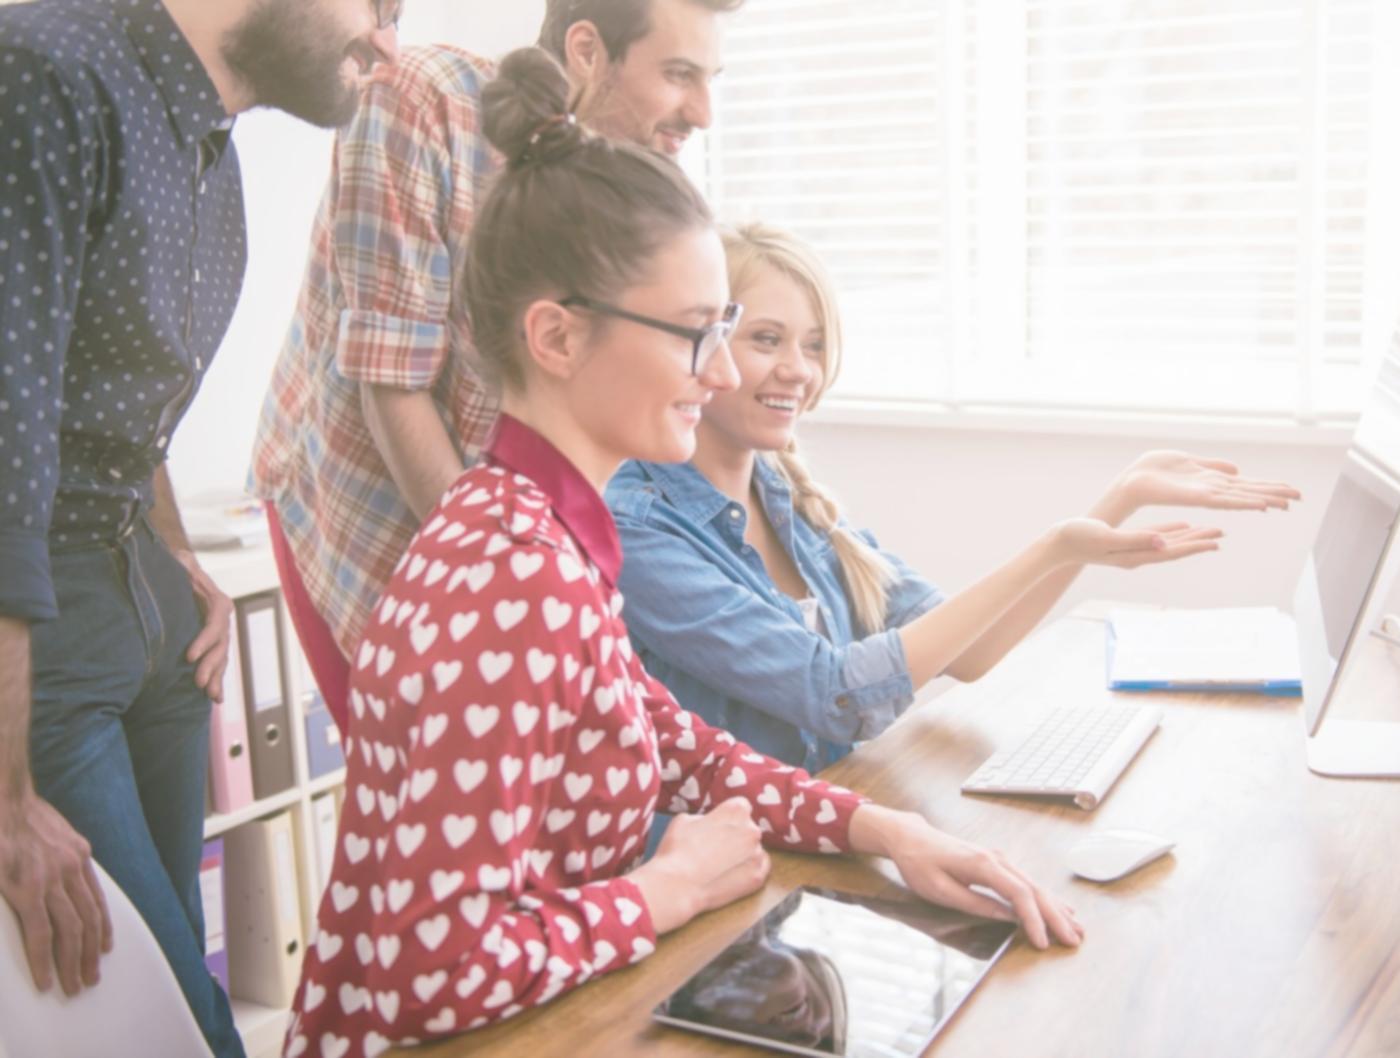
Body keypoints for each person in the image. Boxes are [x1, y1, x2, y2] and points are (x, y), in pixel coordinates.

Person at [285, 49, 1083, 1058]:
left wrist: (889, 832)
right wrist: (661, 892)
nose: (718, 373)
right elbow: (430, 969)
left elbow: (675, 744)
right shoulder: (511, 573)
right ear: (557, 337)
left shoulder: (542, 527)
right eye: (694, 334)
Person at [0, 0, 399, 1054]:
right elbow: (4, 440)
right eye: (381, 5)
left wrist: (173, 552)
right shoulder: (40, 72)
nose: (387, 41)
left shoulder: (208, 153)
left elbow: (115, 400)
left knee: (165, 995)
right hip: (47, 640)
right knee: (176, 1021)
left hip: (151, 607)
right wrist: (4, 800)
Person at [607, 222, 1303, 773]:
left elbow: (967, 652)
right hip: (728, 873)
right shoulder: (637, 527)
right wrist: (1056, 546)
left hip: (830, 833)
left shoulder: (788, 496)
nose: (798, 370)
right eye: (766, 339)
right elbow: (836, 695)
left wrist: (1114, 502)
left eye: (814, 346)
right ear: (707, 344)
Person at [249, 0, 739, 734]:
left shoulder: (622, 181)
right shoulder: (422, 99)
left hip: (508, 532)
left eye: (711, 79)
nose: (701, 111)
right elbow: (393, 381)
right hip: (367, 504)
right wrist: (502, 582)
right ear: (586, 50)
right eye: (677, 75)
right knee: (428, 794)